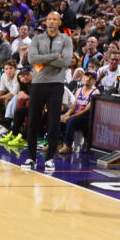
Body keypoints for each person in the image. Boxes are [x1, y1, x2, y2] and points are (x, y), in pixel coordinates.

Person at [22, 11, 74, 163]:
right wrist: (54, 56)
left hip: (56, 84)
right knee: (32, 121)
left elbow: (65, 62)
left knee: (53, 123)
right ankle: (31, 157)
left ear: (59, 22)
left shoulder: (66, 39)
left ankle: (50, 158)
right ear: (45, 22)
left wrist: (42, 60)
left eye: (55, 19)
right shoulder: (37, 39)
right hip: (38, 84)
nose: (51, 22)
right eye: (49, 19)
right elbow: (32, 59)